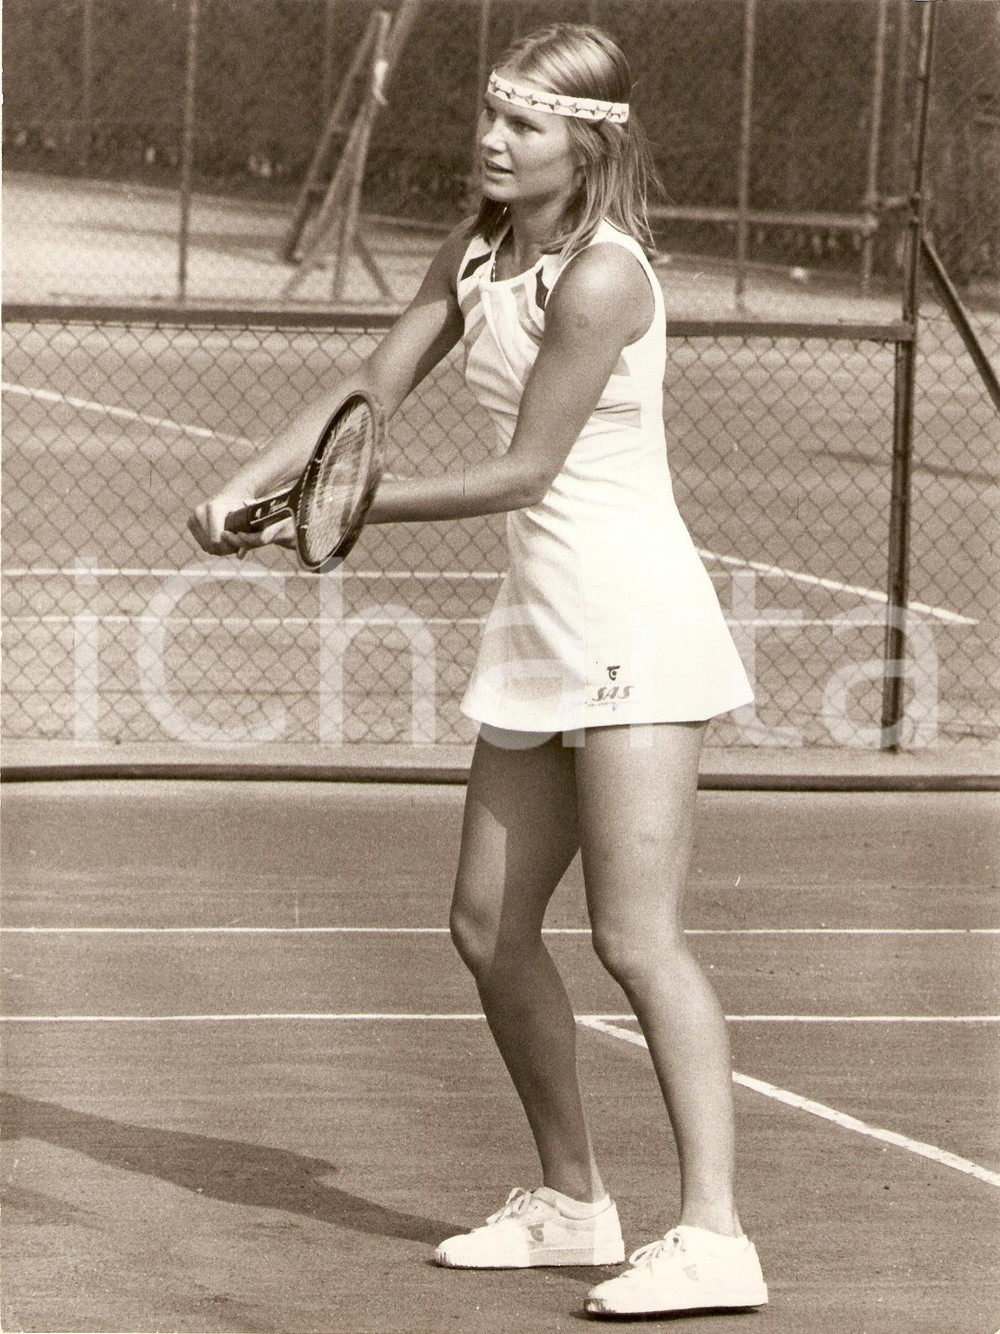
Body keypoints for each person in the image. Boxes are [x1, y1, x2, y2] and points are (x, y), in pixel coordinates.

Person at [189, 22, 767, 1319]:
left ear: (589, 142)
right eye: (492, 118)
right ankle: (571, 1201)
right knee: (489, 928)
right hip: (540, 628)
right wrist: (249, 483)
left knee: (635, 935)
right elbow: (368, 388)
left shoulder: (605, 279)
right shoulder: (476, 254)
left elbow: (526, 468)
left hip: (635, 625)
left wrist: (341, 512)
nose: (493, 141)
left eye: (525, 125)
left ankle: (716, 1233)